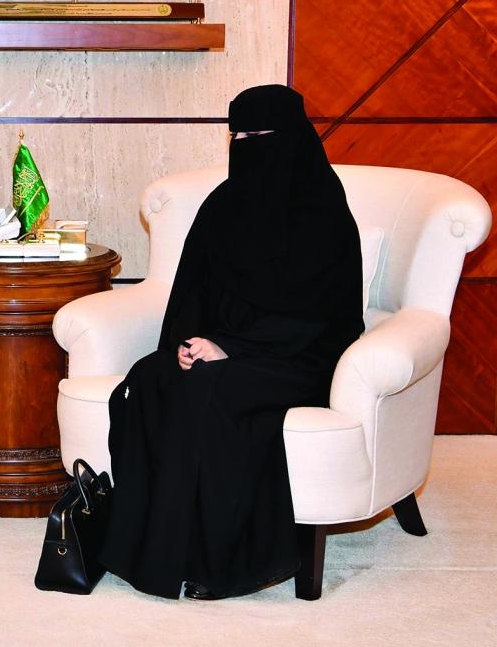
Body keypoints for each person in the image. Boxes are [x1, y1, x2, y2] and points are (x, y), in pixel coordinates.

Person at [99, 84, 364, 600]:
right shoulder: (223, 205)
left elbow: (323, 315)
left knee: (215, 390)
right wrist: (188, 343)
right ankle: (149, 552)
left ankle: (218, 563)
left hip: (298, 356)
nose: (245, 147)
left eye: (258, 135)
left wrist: (233, 349)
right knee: (151, 379)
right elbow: (191, 290)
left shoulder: (323, 213)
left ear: (291, 138)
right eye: (237, 137)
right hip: (219, 346)